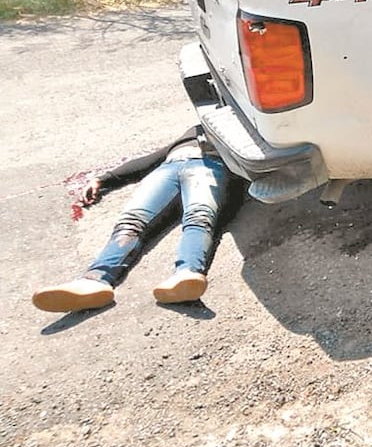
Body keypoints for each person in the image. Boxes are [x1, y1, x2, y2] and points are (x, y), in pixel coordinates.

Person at [33, 125, 240, 313]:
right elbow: (150, 160)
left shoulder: (241, 126)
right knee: (130, 223)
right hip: (168, 167)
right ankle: (94, 281)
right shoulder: (195, 129)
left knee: (199, 216)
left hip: (211, 165)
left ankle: (187, 273)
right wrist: (103, 179)